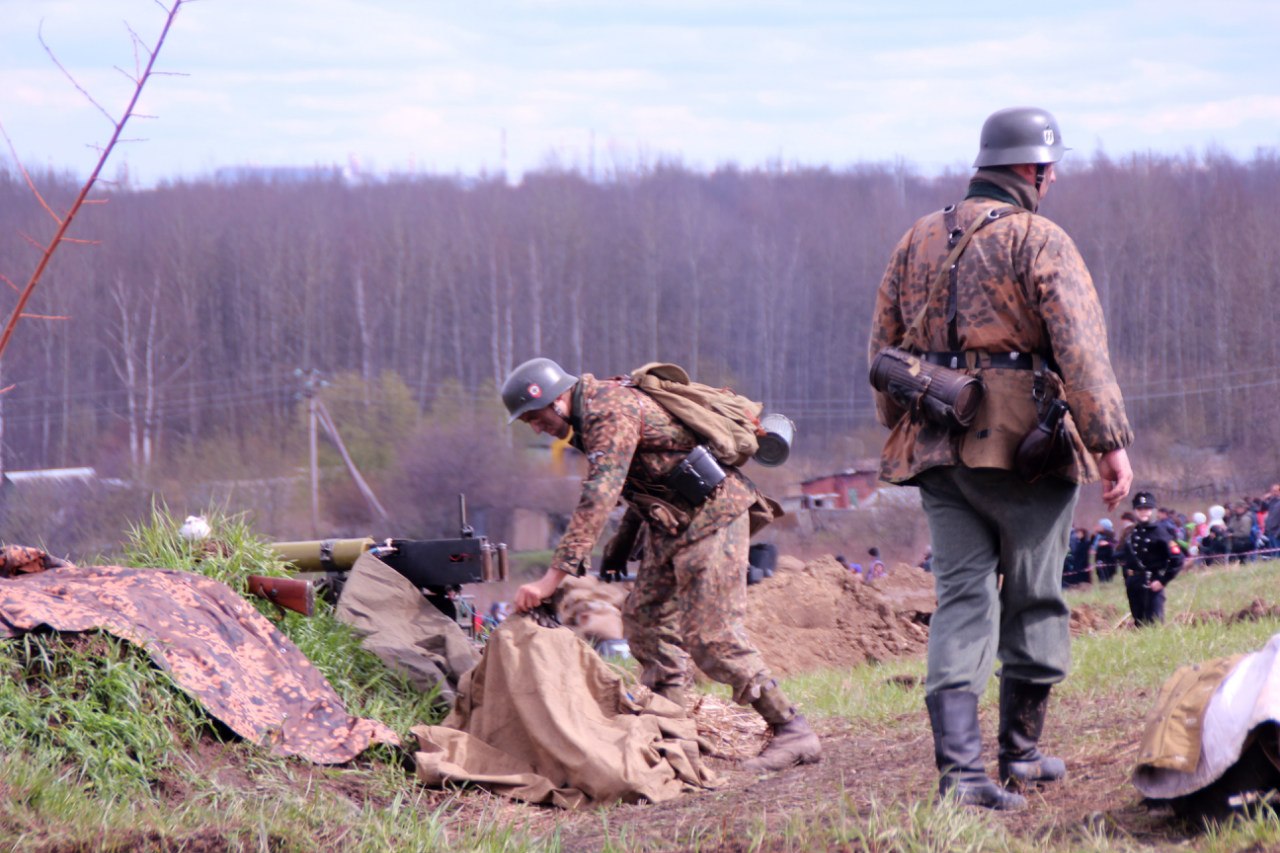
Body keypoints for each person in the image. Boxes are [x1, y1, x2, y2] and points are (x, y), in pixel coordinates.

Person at [868, 107, 1133, 811]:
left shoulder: (915, 238)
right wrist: (1108, 443)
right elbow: (1080, 348)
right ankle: (1017, 751)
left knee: (961, 598)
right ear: (1035, 169)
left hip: (934, 444)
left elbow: (881, 355)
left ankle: (959, 773)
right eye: (1050, 171)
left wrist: (903, 430)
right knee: (1036, 592)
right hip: (1025, 449)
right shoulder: (1040, 239)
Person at [500, 357, 821, 772]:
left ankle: (793, 729)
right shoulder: (587, 417)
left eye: (536, 417)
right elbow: (647, 476)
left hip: (714, 516)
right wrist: (621, 542)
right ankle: (672, 725)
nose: (537, 428)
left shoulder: (607, 409)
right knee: (645, 620)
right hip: (672, 523)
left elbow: (599, 495)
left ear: (556, 399)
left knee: (712, 636)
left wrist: (549, 580)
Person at [1117, 491, 1184, 625]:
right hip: (1134, 582)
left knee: (1154, 624)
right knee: (1138, 622)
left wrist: (1162, 580)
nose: (1143, 512)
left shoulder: (1160, 531)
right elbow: (1126, 557)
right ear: (1135, 511)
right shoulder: (1133, 532)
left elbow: (1178, 558)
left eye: (1147, 509)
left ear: (1153, 510)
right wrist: (1128, 578)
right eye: (1140, 509)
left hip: (1151, 582)